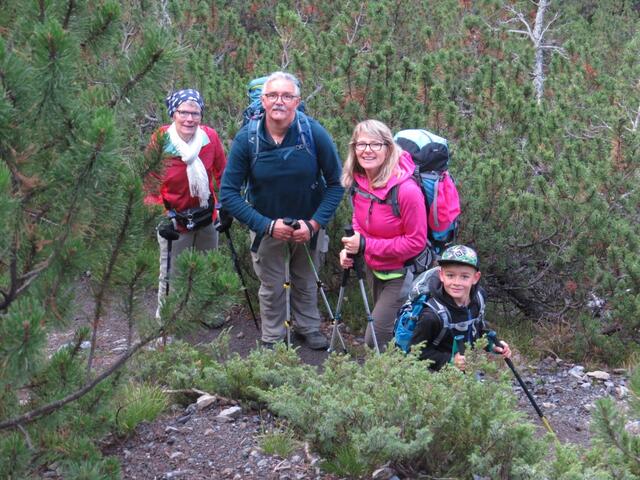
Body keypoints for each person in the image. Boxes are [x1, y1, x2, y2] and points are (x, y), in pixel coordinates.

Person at [219, 71, 344, 349]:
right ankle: (273, 336)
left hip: (308, 225)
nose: (279, 101)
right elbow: (228, 193)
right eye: (273, 95)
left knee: (306, 280)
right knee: (271, 286)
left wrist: (314, 224)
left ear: (297, 102)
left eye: (287, 96)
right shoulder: (247, 138)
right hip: (265, 225)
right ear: (263, 100)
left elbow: (336, 184)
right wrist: (266, 225)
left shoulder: (314, 132)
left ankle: (308, 327)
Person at [340, 119, 427, 351]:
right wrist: (350, 248)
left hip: (403, 273)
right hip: (375, 269)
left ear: (388, 148)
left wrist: (365, 245)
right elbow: (359, 220)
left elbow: (416, 242)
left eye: (375, 144)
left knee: (375, 339)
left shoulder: (406, 190)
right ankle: (397, 369)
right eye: (361, 144)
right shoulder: (360, 183)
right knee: (391, 333)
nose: (367, 150)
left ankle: (412, 368)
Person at [144, 88, 227, 320]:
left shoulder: (209, 138)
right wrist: (161, 216)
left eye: (195, 113)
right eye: (183, 113)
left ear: (201, 116)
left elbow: (223, 173)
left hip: (206, 216)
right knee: (172, 275)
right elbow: (148, 184)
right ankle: (168, 321)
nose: (189, 119)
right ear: (173, 114)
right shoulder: (161, 141)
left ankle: (205, 313)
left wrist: (226, 206)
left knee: (207, 268)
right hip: (173, 221)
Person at [408, 245, 512, 371]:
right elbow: (415, 352)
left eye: (464, 276)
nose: (456, 282)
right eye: (450, 275)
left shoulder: (479, 298)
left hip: (464, 367)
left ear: (475, 278)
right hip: (432, 374)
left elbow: (476, 330)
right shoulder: (431, 315)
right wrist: (450, 360)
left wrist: (492, 345)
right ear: (441, 275)